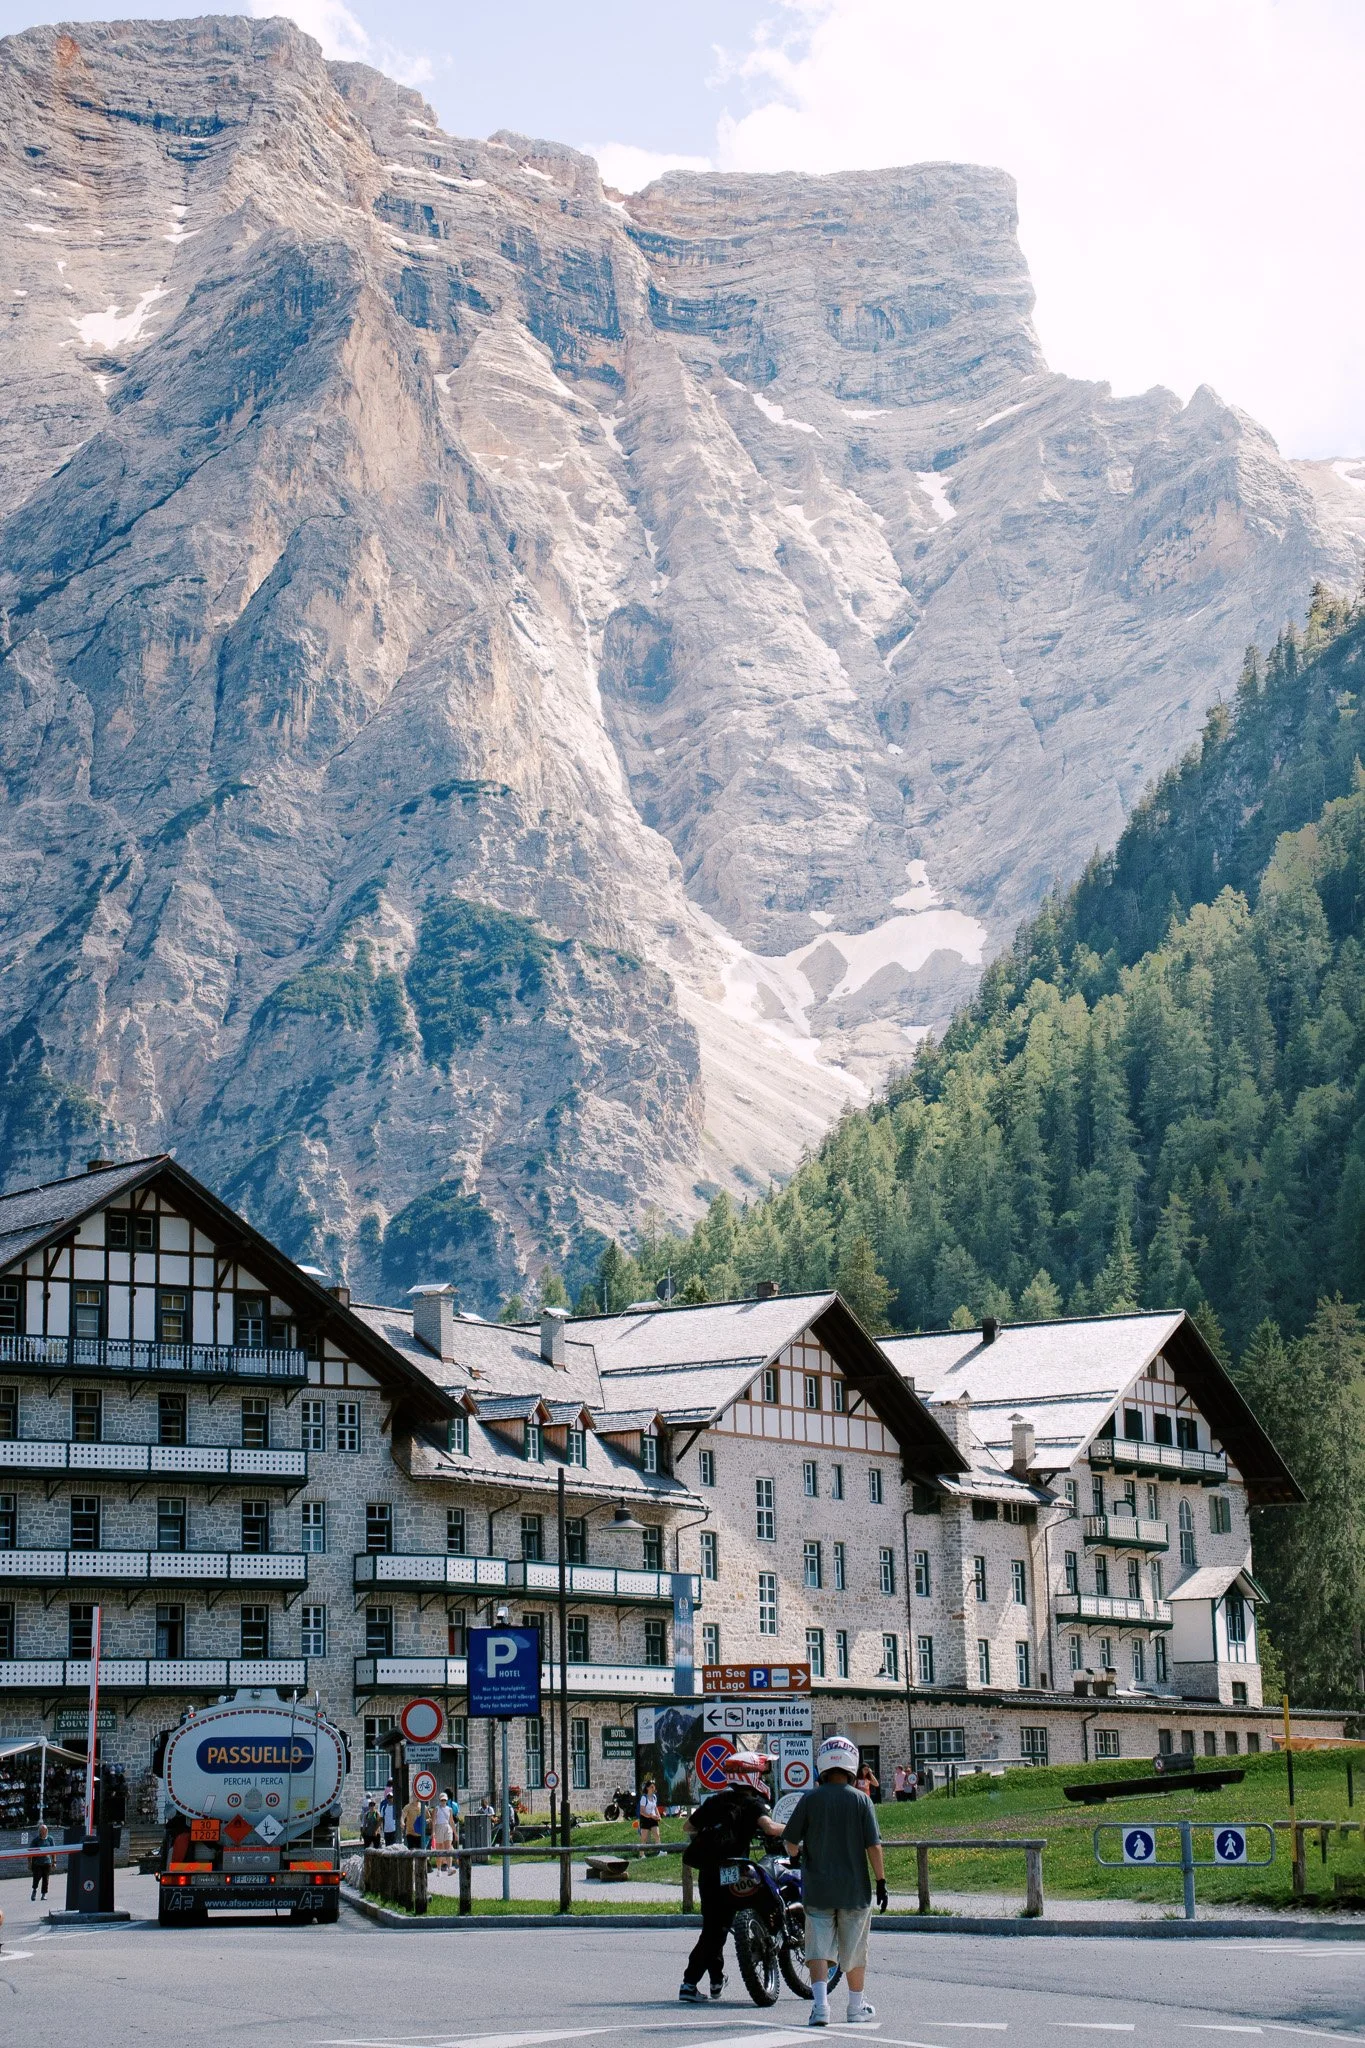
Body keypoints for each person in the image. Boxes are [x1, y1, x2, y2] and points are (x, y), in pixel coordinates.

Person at [784, 1735, 888, 2028]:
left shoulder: (810, 1799)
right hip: (854, 1889)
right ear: (851, 1765)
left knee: (817, 1947)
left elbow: (790, 1841)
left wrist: (798, 1857)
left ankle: (821, 2007)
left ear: (823, 1765)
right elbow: (874, 1846)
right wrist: (880, 1881)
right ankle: (855, 2006)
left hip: (818, 1888)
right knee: (854, 1948)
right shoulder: (861, 1800)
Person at [678, 1751, 785, 2004]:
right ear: (750, 1776)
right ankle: (689, 1981)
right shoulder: (752, 1803)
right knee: (721, 1928)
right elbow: (769, 1827)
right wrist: (797, 1828)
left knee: (715, 1927)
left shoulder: (717, 1800)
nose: (762, 1777)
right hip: (734, 1870)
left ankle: (716, 1981)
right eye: (758, 1772)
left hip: (708, 1871)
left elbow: (688, 1827)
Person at [29, 1823, 54, 1902]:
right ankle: (34, 1890)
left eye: (44, 1830)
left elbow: (54, 1851)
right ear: (39, 1831)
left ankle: (44, 1894)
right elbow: (30, 1852)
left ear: (47, 1831)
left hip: (47, 1863)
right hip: (37, 1863)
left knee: (46, 1879)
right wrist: (29, 1863)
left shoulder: (50, 1839)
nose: (43, 1832)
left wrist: (54, 1861)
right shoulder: (36, 1840)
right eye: (41, 1831)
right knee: (37, 1878)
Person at [638, 1775, 662, 1856]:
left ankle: (659, 1851)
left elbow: (655, 1808)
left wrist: (658, 1816)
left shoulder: (654, 1797)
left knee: (657, 1835)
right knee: (644, 1838)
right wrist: (650, 1816)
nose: (653, 1788)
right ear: (648, 1788)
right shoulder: (644, 1798)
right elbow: (642, 1811)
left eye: (654, 1787)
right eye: (651, 1787)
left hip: (653, 1818)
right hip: (645, 1819)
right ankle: (642, 1854)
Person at [432, 1793, 455, 1872]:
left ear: (447, 1800)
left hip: (447, 1827)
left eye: (445, 1800)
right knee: (439, 1849)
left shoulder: (449, 1809)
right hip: (439, 1827)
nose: (443, 1801)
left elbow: (451, 1821)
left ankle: (450, 1868)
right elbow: (434, 1821)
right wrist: (433, 1832)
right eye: (442, 1800)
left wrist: (455, 1832)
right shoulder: (436, 1808)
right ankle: (439, 1869)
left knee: (448, 1848)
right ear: (439, 1800)